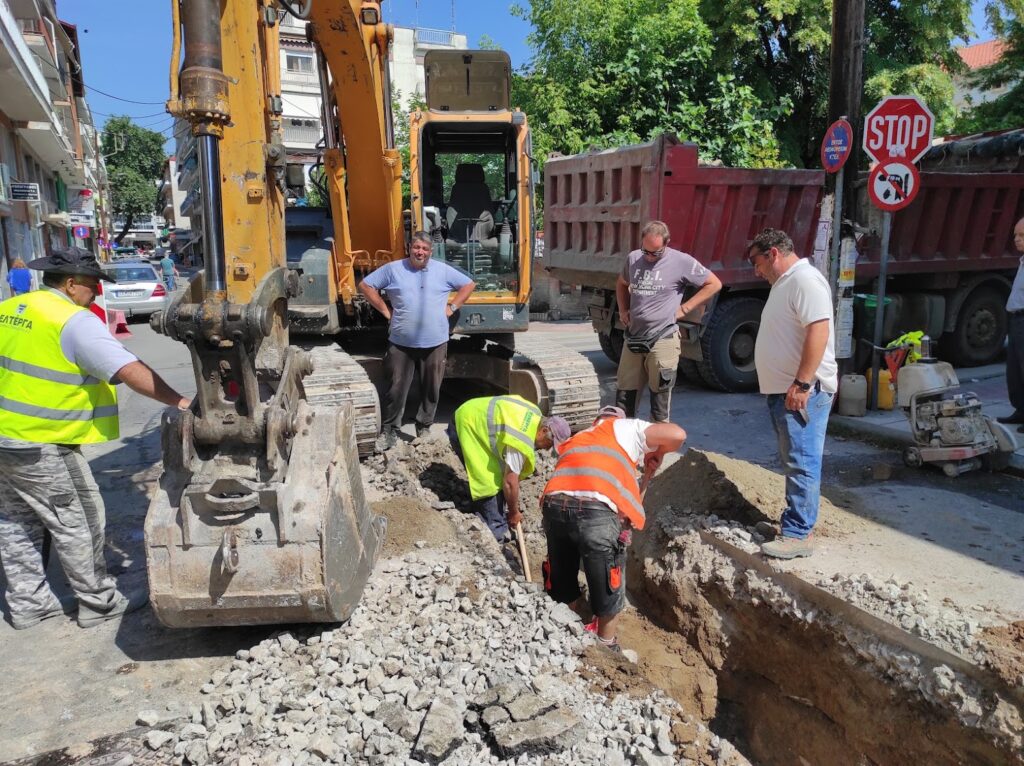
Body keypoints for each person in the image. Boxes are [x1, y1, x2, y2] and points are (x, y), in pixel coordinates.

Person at [0, 246, 192, 630]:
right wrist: (180, 400)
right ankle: (99, 602)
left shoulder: (11, 310)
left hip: (5, 441)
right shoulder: (72, 320)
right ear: (71, 285)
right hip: (42, 443)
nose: (96, 294)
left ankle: (28, 604)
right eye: (92, 286)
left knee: (16, 523)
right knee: (80, 520)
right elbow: (126, 369)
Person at [540, 405, 686, 652]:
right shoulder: (627, 427)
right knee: (610, 576)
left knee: (561, 570)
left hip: (554, 506)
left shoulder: (580, 437)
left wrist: (647, 473)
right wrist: (661, 450)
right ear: (620, 419)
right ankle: (606, 645)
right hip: (594, 513)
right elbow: (677, 435)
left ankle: (561, 631)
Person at [748, 228, 837, 559]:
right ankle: (793, 523)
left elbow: (819, 329)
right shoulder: (785, 283)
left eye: (756, 262)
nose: (755, 271)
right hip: (786, 390)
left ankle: (799, 534)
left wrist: (802, 383)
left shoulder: (804, 280)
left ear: (772, 254)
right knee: (793, 457)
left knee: (802, 459)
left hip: (803, 391)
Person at [360, 232, 476, 449]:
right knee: (396, 387)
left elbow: (468, 284)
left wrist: (452, 308)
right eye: (416, 247)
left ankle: (424, 426)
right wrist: (386, 311)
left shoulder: (442, 270)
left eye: (424, 248)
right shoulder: (393, 269)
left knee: (432, 387)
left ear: (430, 251)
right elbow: (366, 286)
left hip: (436, 342)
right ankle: (390, 429)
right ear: (409, 248)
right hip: (401, 342)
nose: (420, 252)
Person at [615, 220, 721, 421]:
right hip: (634, 338)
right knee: (623, 402)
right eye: (646, 251)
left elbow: (714, 284)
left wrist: (685, 308)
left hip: (662, 339)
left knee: (659, 405)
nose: (649, 257)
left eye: (655, 253)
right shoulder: (633, 259)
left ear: (667, 243)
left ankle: (656, 451)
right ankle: (625, 447)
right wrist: (623, 309)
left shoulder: (681, 262)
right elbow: (621, 283)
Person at [447, 395, 570, 541]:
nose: (547, 449)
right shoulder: (520, 440)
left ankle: (488, 513)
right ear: (543, 431)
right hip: (467, 425)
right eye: (549, 444)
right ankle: (490, 528)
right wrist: (513, 512)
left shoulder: (535, 416)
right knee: (487, 482)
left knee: (501, 480)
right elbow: (510, 482)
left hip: (477, 418)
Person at [997, 217, 1024, 433]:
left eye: (1022, 236)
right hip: (1016, 320)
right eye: (1015, 235)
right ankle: (1020, 410)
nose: (1017, 239)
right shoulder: (1023, 261)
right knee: (1014, 370)